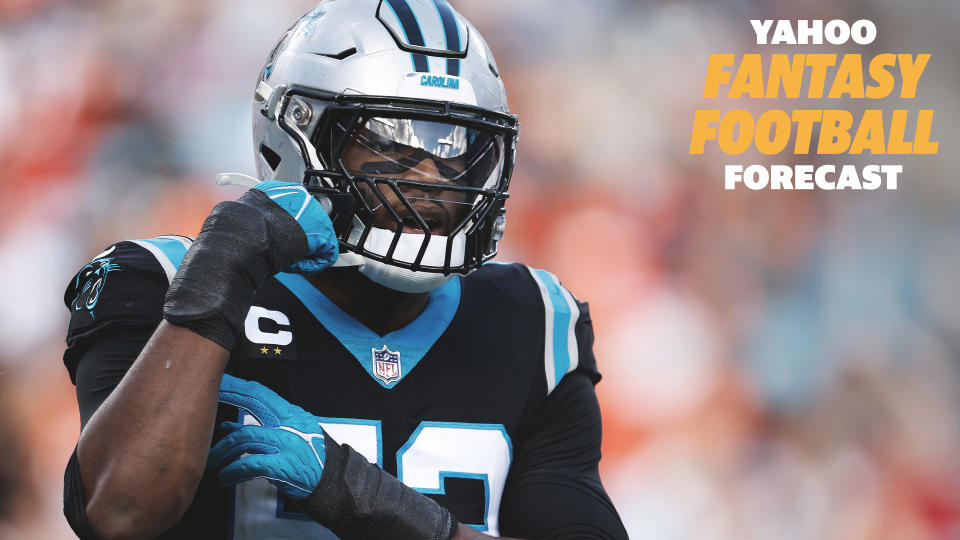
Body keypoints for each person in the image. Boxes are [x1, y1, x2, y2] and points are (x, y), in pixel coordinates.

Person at [61, 1, 628, 538]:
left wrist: (354, 492)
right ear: (298, 135)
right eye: (392, 142)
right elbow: (120, 511)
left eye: (457, 146)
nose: (432, 177)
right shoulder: (163, 278)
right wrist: (215, 285)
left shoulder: (531, 318)